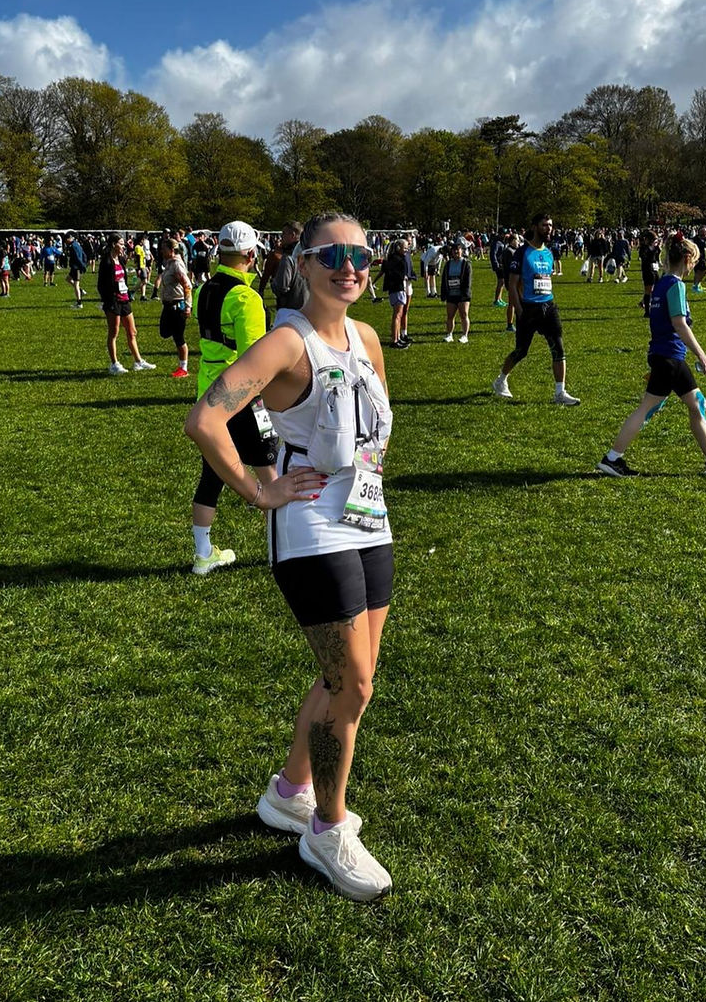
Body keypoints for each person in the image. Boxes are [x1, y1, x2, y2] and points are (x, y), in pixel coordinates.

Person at [185, 211, 393, 902]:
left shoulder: (366, 336)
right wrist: (255, 488)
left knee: (349, 679)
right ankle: (327, 830)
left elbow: (375, 419)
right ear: (300, 263)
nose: (349, 265)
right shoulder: (285, 341)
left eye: (361, 253)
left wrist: (363, 470)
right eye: (331, 253)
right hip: (309, 529)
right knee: (353, 685)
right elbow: (205, 418)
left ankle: (289, 793)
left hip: (369, 518)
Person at [597, 233, 706, 478]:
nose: (695, 265)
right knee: (651, 408)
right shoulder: (675, 284)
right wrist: (703, 357)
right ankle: (613, 458)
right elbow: (680, 323)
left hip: (663, 355)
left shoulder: (662, 283)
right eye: (695, 260)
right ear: (686, 258)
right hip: (670, 357)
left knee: (695, 404)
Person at [188, 220, 277, 575]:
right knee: (269, 472)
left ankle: (202, 553)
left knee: (212, 472)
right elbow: (254, 359)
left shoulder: (202, 290)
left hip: (208, 393)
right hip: (241, 397)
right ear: (251, 254)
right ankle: (279, 550)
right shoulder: (246, 298)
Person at [492, 213, 581, 405]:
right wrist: (519, 310)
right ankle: (501, 380)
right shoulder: (522, 252)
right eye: (544, 225)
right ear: (534, 227)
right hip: (529, 309)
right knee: (521, 351)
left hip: (548, 306)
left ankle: (560, 392)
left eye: (550, 225)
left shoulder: (548, 253)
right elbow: (513, 284)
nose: (548, 228)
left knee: (558, 347)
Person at [95, 233, 156, 375]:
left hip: (124, 299)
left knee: (132, 331)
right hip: (113, 301)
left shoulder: (121, 260)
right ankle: (114, 363)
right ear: (113, 244)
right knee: (114, 332)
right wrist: (107, 300)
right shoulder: (106, 262)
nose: (124, 246)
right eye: (121, 244)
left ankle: (138, 361)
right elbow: (101, 284)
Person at [158, 238, 193, 378]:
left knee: (179, 337)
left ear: (171, 250)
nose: (161, 251)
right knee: (164, 332)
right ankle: (182, 365)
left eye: (164, 248)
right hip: (168, 305)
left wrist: (188, 306)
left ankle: (183, 368)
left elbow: (187, 285)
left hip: (177, 306)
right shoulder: (169, 264)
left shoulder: (177, 265)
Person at [373, 239, 412, 348]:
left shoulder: (392, 258)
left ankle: (398, 337)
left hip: (396, 289)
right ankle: (395, 340)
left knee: (398, 315)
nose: (406, 250)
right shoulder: (396, 259)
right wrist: (403, 277)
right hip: (397, 289)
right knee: (397, 315)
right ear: (398, 248)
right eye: (404, 248)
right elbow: (394, 273)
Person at [270, 222, 308, 316]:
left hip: (290, 311)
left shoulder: (288, 257)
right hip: (308, 309)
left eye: (283, 233)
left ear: (292, 235)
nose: (281, 237)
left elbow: (281, 287)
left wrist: (273, 282)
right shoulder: (310, 254)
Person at [439, 242, 472, 343]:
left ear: (462, 251)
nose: (456, 252)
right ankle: (449, 335)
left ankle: (464, 335)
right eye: (454, 250)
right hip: (451, 294)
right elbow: (444, 279)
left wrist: (465, 294)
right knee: (450, 316)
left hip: (462, 295)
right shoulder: (448, 264)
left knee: (464, 314)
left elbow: (468, 280)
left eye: (458, 250)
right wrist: (444, 293)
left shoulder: (466, 264)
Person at [65, 232, 87, 308]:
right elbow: (84, 254)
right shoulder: (77, 244)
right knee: (68, 279)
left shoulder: (73, 246)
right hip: (75, 267)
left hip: (76, 267)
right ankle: (81, 291)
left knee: (76, 284)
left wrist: (82, 266)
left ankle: (79, 303)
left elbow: (77, 258)